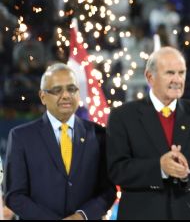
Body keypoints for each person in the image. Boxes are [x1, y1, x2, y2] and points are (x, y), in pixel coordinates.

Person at [106, 46, 190, 219]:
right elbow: (116, 169)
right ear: (150, 77)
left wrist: (186, 171)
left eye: (181, 73)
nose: (177, 79)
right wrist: (159, 168)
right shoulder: (123, 116)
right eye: (170, 73)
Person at [3, 63, 116, 219]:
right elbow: (14, 195)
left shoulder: (98, 134)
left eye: (71, 89)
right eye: (57, 90)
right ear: (43, 96)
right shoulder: (21, 137)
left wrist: (82, 216)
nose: (65, 95)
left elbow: (108, 190)